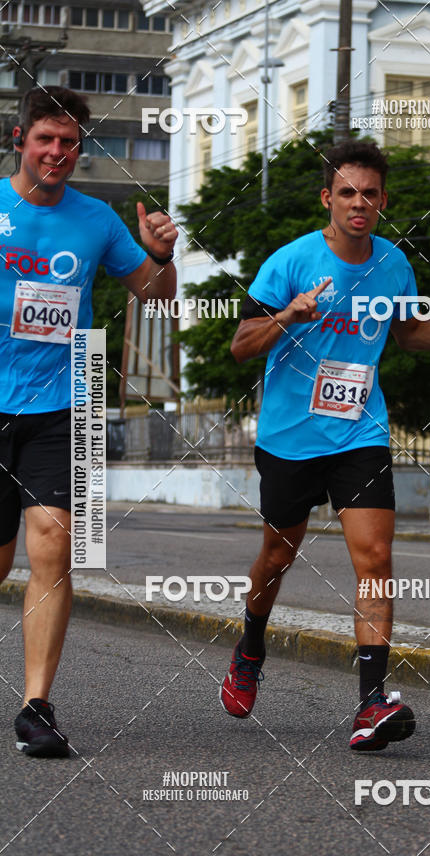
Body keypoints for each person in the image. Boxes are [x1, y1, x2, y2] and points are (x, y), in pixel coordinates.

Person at [220, 139, 430, 751]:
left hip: (360, 432)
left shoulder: (395, 265)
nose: (358, 203)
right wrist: (287, 317)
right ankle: (250, 647)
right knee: (276, 556)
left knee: (375, 559)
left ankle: (372, 703)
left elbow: (406, 334)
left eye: (369, 194)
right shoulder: (289, 263)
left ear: (382, 201)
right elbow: (241, 346)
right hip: (291, 438)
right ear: (328, 198)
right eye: (347, 192)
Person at [0, 86, 178, 757]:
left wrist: (160, 255)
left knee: (53, 542)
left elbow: (157, 299)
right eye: (46, 139)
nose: (57, 152)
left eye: (70, 142)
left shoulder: (99, 221)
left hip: (58, 407)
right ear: (20, 140)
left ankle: (36, 707)